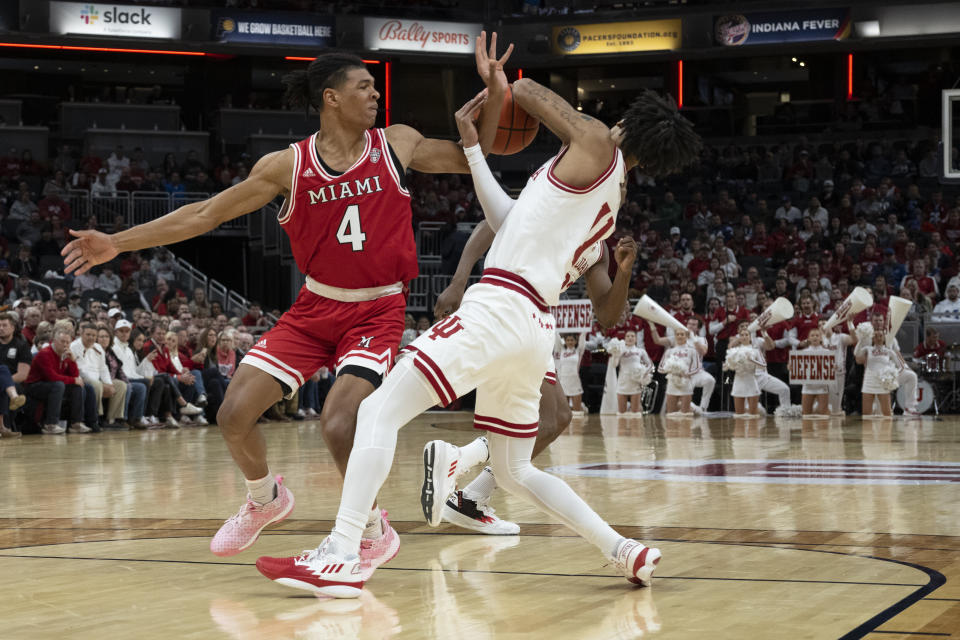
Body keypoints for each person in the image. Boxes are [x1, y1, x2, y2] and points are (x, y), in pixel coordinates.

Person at [253, 43, 700, 596]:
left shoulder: (593, 144)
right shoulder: (610, 202)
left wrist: (497, 81)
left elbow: (532, 95)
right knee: (514, 470)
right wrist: (472, 148)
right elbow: (513, 226)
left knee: (376, 414)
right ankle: (623, 549)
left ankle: (343, 553)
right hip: (535, 329)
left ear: (628, 126)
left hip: (499, 308)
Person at [62, 41, 512, 566]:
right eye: (363, 86)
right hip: (314, 308)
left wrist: (497, 92)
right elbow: (205, 214)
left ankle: (371, 526)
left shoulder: (397, 143)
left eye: (374, 86)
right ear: (331, 98)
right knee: (232, 414)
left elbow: (477, 156)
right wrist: (118, 242)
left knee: (339, 422)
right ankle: (264, 501)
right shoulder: (286, 166)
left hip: (377, 309)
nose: (374, 94)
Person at [428, 222, 640, 535]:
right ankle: (459, 465)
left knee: (555, 419)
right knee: (546, 420)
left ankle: (470, 494)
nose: (618, 191)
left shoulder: (599, 249)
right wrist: (459, 280)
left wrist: (624, 272)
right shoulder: (562, 197)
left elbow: (608, 317)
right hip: (506, 306)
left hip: (534, 319)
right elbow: (492, 222)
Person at [24, 326, 96, 434]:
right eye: (63, 341)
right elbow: (52, 377)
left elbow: (75, 376)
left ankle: (76, 424)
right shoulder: (45, 353)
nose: (66, 345)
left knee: (77, 386)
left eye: (68, 342)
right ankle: (50, 424)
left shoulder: (65, 354)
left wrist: (72, 361)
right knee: (59, 385)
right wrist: (73, 380)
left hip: (52, 385)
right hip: (34, 385)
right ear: (54, 341)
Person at [648, 317, 714, 415]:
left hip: (696, 372)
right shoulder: (678, 336)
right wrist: (652, 326)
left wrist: (693, 339)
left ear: (698, 328)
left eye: (693, 324)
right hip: (677, 373)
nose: (690, 326)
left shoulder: (701, 339)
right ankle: (693, 408)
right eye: (689, 324)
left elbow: (703, 352)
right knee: (676, 397)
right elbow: (657, 340)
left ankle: (703, 407)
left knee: (710, 380)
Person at [71, 322, 126, 430]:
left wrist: (109, 384)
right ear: (81, 334)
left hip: (98, 379)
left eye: (93, 335)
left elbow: (103, 368)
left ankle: (111, 420)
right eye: (88, 334)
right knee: (96, 385)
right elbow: (80, 370)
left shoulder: (98, 347)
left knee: (121, 385)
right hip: (83, 379)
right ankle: (96, 418)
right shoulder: (74, 346)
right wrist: (101, 384)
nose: (91, 337)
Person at [856, 321, 899, 417]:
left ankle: (886, 432)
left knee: (887, 413)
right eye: (876, 336)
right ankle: (867, 432)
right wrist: (861, 340)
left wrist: (892, 376)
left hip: (883, 382)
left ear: (884, 338)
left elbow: (899, 366)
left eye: (881, 336)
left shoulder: (889, 351)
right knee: (866, 414)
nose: (878, 338)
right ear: (872, 338)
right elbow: (856, 354)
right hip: (869, 381)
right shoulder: (868, 349)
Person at [725, 323, 764, 416]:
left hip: (751, 380)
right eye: (742, 335)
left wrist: (752, 361)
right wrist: (728, 365)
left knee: (753, 415)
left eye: (746, 335)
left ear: (750, 337)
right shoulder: (734, 351)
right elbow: (727, 366)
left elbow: (764, 365)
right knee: (739, 415)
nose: (744, 337)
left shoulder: (756, 350)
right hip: (738, 381)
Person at [659, 326, 700, 415]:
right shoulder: (669, 351)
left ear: (687, 336)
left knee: (685, 415)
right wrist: (670, 370)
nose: (680, 336)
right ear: (675, 336)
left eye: (682, 334)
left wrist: (685, 374)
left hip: (685, 383)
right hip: (672, 384)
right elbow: (660, 368)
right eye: (677, 334)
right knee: (671, 414)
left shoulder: (692, 351)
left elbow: (697, 367)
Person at [614, 330, 653, 414]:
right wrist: (617, 355)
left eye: (632, 336)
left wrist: (644, 375)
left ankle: (635, 426)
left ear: (636, 339)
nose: (630, 338)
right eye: (628, 336)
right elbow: (615, 365)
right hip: (623, 382)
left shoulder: (640, 351)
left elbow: (650, 365)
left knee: (635, 413)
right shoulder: (620, 350)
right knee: (621, 413)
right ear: (624, 339)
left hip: (635, 383)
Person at [797, 326, 830, 417]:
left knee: (823, 415)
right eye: (812, 335)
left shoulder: (827, 352)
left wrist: (833, 367)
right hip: (807, 386)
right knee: (806, 415)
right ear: (808, 338)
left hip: (822, 386)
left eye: (817, 335)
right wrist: (791, 367)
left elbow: (831, 368)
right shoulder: (803, 353)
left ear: (821, 338)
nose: (815, 337)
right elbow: (798, 370)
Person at [556, 333, 586, 415]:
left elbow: (583, 337)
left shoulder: (578, 351)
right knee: (564, 413)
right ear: (565, 341)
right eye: (568, 340)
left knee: (577, 413)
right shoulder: (561, 350)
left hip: (575, 382)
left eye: (572, 340)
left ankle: (577, 428)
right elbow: (557, 337)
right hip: (564, 382)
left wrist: (584, 330)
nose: (570, 342)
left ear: (576, 341)